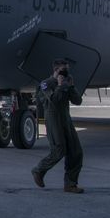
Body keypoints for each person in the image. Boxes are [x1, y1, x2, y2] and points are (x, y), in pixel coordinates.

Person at [32, 58, 85, 193]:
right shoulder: (46, 84)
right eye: (63, 70)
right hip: (53, 118)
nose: (66, 73)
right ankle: (39, 170)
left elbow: (78, 101)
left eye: (67, 70)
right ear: (56, 70)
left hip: (65, 118)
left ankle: (70, 184)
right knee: (59, 149)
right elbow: (53, 101)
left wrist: (71, 86)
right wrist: (60, 86)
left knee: (76, 151)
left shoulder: (67, 83)